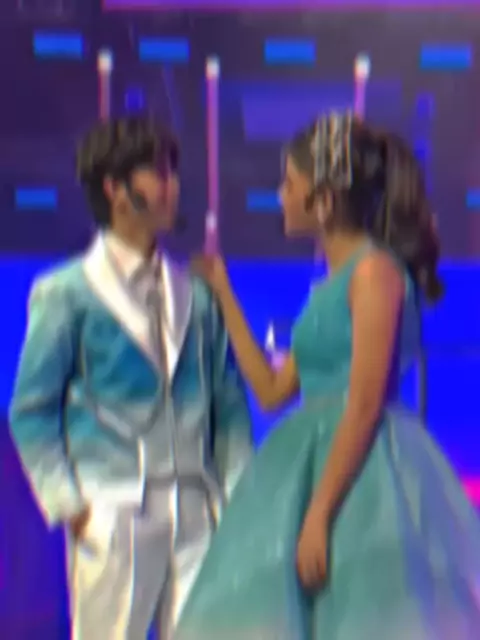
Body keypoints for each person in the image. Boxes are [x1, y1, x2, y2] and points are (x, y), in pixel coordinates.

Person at [176, 111, 480, 639]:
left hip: (363, 474)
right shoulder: (330, 285)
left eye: (289, 184)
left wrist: (319, 511)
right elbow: (272, 391)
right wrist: (223, 292)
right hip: (311, 459)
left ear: (325, 199)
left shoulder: (374, 272)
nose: (281, 196)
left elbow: (364, 402)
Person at [9, 116, 252, 639]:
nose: (172, 186)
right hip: (115, 508)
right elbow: (31, 410)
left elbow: (228, 404)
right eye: (157, 173)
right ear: (115, 189)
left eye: (172, 172)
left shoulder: (197, 295)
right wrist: (73, 506)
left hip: (196, 508)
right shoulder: (66, 293)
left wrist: (235, 500)